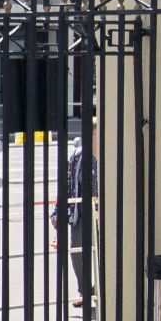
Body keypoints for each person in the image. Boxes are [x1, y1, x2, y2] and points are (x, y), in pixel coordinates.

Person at [56, 119, 99, 309]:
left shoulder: (107, 154)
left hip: (101, 214)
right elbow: (66, 183)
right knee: (77, 252)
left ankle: (101, 290)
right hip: (80, 213)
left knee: (102, 254)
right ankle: (85, 290)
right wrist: (58, 212)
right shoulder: (77, 156)